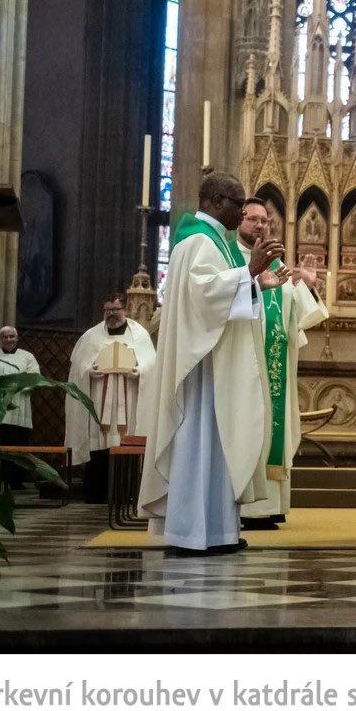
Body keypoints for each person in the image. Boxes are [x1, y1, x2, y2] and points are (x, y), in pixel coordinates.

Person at [137, 171, 285, 556]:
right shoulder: (198, 241)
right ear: (217, 201)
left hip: (216, 364)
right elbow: (203, 296)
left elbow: (221, 294)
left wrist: (254, 282)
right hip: (202, 370)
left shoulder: (215, 242)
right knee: (200, 446)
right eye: (239, 205)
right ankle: (192, 533)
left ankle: (217, 531)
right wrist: (249, 272)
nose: (243, 213)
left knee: (218, 449)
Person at [236, 198, 328, 529]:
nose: (260, 225)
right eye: (253, 219)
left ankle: (271, 505)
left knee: (273, 428)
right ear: (239, 220)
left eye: (265, 220)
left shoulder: (276, 264)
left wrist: (306, 286)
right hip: (243, 367)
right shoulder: (231, 259)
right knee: (247, 429)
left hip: (274, 367)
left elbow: (294, 317)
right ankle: (247, 509)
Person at [65, 293, 156, 503]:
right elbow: (77, 366)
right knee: (99, 442)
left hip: (129, 396)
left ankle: (125, 493)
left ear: (126, 310)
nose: (111, 314)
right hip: (99, 398)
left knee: (126, 440)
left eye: (115, 310)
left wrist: (140, 371)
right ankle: (97, 493)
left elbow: (152, 364)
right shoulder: (91, 336)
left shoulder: (139, 335)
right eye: (107, 310)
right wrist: (89, 371)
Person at [0, 326, 42, 449]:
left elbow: (34, 377)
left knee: (17, 447)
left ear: (17, 338)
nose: (8, 339)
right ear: (0, 339)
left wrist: (15, 387)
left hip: (19, 405)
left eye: (11, 336)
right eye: (5, 337)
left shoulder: (27, 356)